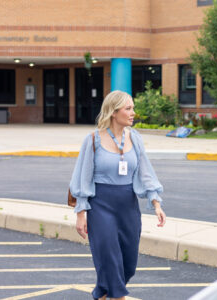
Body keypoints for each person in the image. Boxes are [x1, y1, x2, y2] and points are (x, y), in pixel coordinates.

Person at [69, 90, 167, 300]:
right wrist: (80, 213)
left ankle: (100, 293)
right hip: (101, 207)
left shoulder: (136, 139)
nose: (133, 113)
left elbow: (145, 172)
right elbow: (82, 177)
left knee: (128, 265)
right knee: (110, 262)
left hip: (128, 208)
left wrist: (156, 203)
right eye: (128, 108)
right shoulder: (93, 139)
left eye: (132, 108)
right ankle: (114, 295)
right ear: (114, 112)